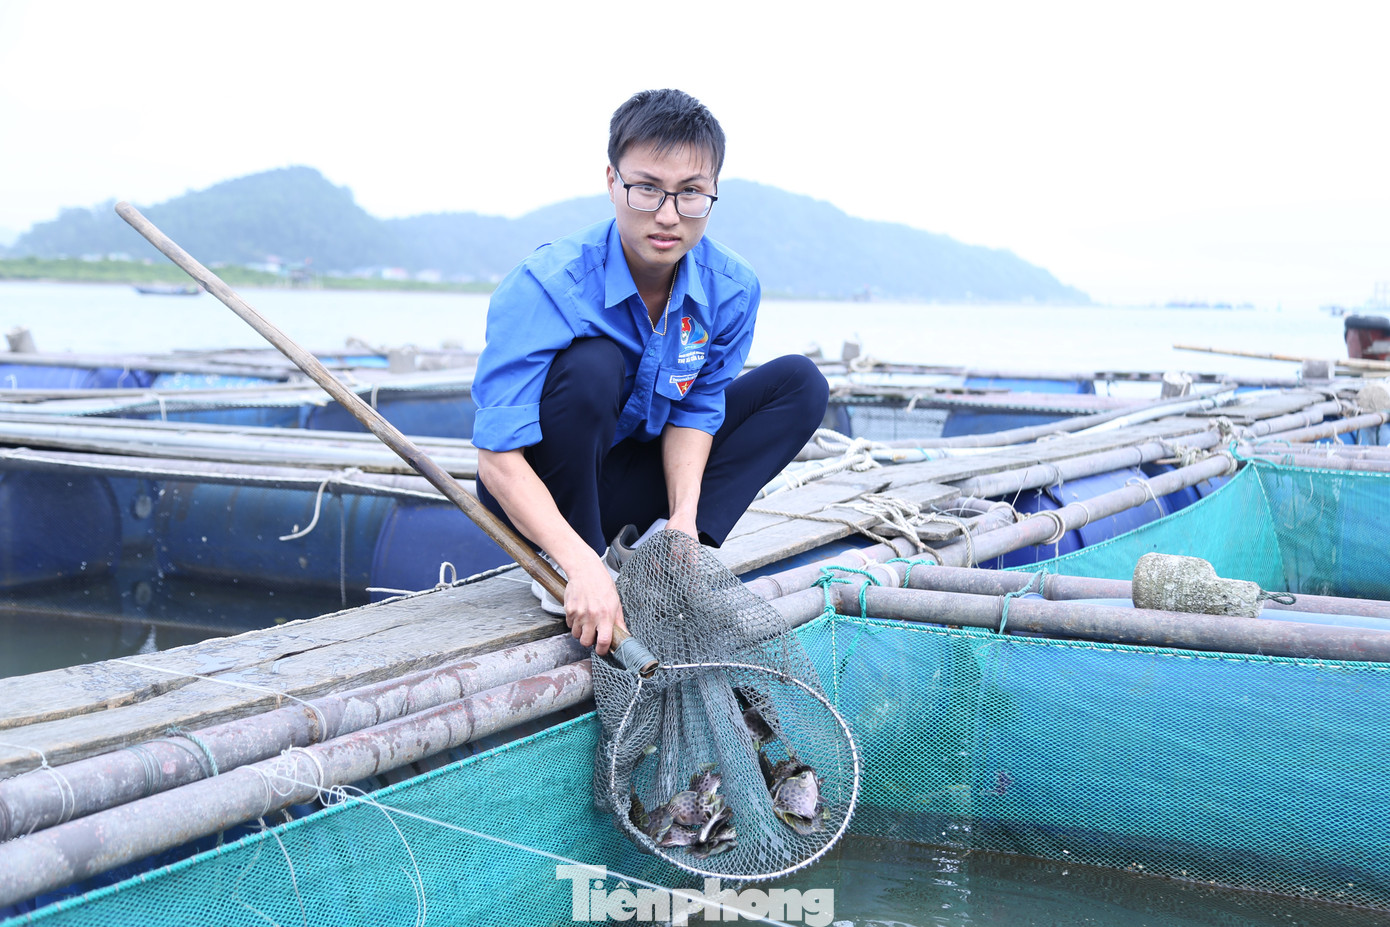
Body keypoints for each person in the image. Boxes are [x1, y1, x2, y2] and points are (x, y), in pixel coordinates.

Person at [472, 88, 828, 656]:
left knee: (799, 384)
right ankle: (577, 563)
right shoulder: (546, 283)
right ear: (612, 182)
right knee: (594, 363)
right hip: (548, 490)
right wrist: (582, 565)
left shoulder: (730, 288)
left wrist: (684, 519)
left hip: (636, 477)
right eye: (647, 190)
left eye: (691, 194)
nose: (668, 216)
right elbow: (496, 458)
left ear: (712, 194)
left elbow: (696, 408)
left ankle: (668, 554)